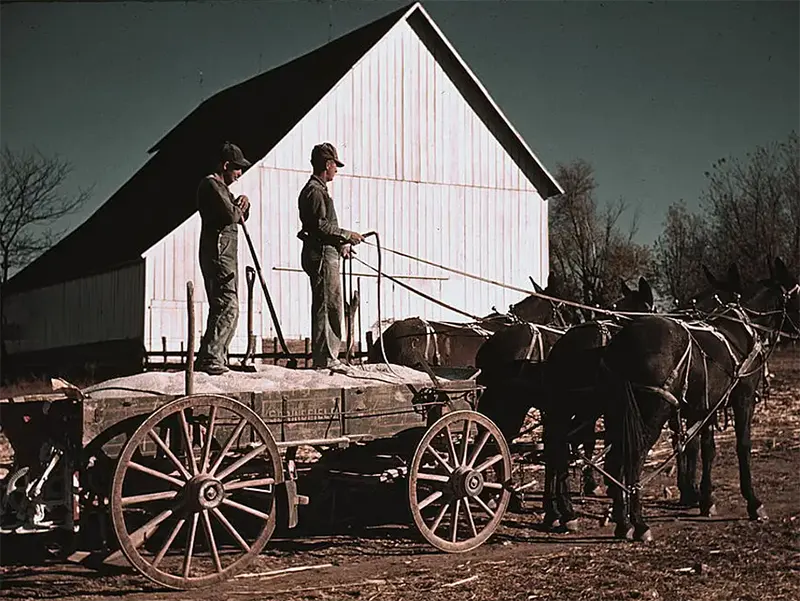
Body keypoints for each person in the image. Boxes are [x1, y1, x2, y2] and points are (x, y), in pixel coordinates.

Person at [297, 142, 363, 370]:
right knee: (329, 305)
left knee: (329, 304)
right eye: (335, 165)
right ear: (327, 164)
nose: (336, 170)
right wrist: (347, 235)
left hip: (326, 252)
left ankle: (327, 356)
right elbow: (320, 227)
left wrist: (342, 244)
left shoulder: (319, 190)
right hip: (323, 256)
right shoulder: (315, 191)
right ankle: (327, 358)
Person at [194, 141, 252, 375]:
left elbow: (235, 213)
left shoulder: (222, 189)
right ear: (226, 165)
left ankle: (217, 356)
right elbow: (230, 214)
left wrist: (242, 205)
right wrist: (240, 207)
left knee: (228, 304)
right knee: (227, 304)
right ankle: (211, 357)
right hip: (219, 254)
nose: (239, 174)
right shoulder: (212, 185)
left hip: (225, 254)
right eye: (237, 169)